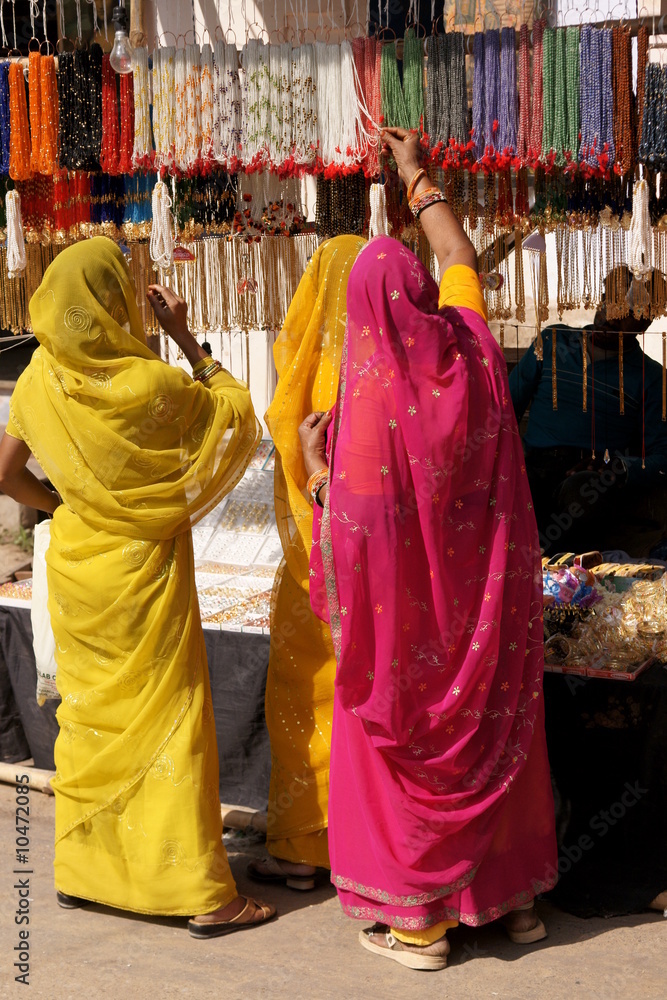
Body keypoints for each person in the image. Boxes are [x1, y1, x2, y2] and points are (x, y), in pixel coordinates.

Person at [297, 128, 558, 972]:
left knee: (392, 742)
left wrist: (311, 472)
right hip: (482, 629)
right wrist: (415, 176)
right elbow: (462, 258)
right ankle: (511, 901)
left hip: (410, 646)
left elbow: (351, 543)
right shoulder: (477, 355)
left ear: (361, 313)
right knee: (494, 738)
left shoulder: (362, 416)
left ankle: (418, 925)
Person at [0, 238, 276, 938]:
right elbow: (235, 414)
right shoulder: (151, 383)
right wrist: (184, 336)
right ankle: (202, 894)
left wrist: (64, 505)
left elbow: (4, 474)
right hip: (144, 568)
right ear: (113, 304)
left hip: (78, 566)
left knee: (91, 717)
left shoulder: (38, 379)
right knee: (167, 720)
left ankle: (89, 873)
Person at [251, 235, 366, 890]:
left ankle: (298, 850)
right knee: (363, 705)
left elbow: (279, 429)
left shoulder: (304, 364)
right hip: (379, 575)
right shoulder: (396, 364)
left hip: (311, 563)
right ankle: (362, 845)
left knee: (304, 700)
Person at [509, 267, 667, 556]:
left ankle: (566, 582)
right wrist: (511, 458)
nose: (612, 313)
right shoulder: (554, 340)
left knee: (582, 497)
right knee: (513, 487)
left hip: (591, 477)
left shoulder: (651, 376)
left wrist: (617, 468)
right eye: (610, 301)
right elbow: (504, 408)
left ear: (645, 323)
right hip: (532, 466)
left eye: (629, 310)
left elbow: (662, 458)